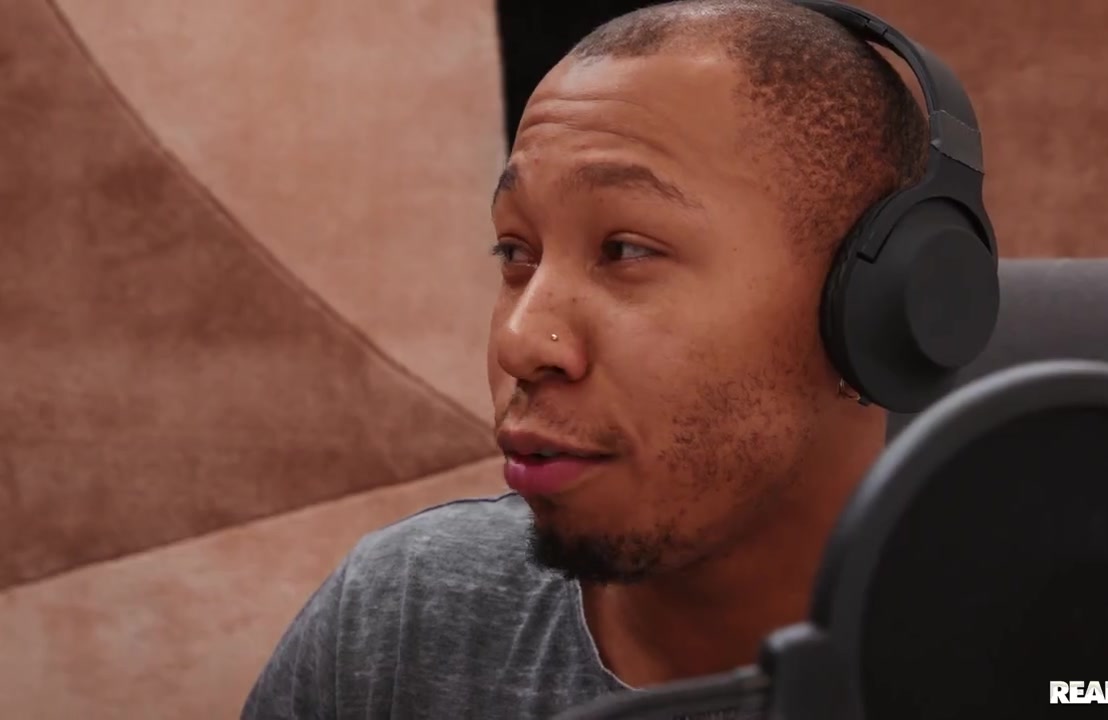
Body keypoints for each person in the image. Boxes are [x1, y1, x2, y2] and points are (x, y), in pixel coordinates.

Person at [242, 0, 929, 717]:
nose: (517, 343)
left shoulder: (1011, 654)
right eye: (516, 252)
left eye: (625, 250)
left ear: (871, 306)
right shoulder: (398, 618)